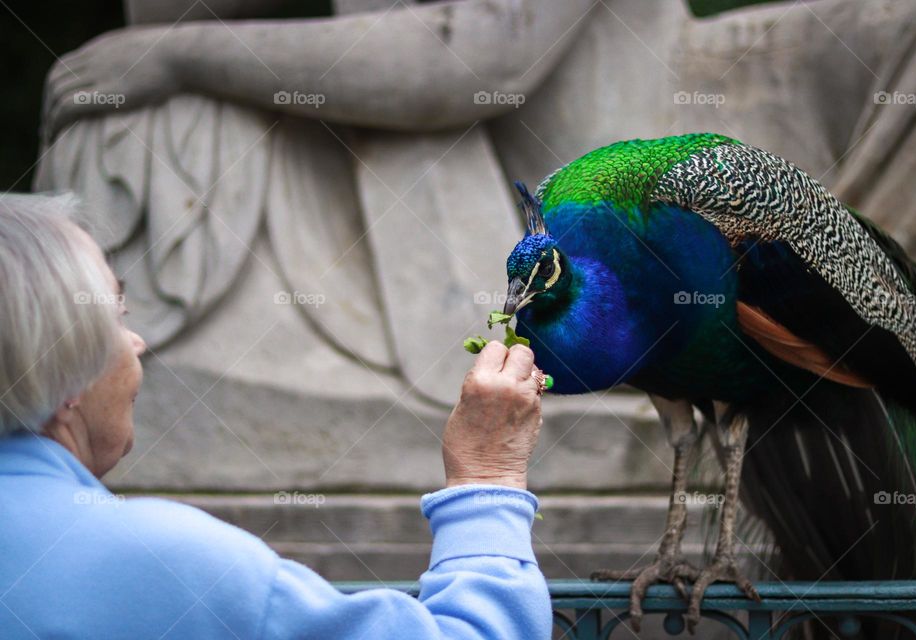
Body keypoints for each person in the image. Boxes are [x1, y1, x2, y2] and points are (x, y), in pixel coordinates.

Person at [0, 193, 552, 639]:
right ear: (66, 373)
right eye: (117, 317)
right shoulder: (173, 565)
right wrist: (487, 476)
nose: (137, 342)